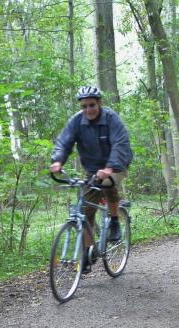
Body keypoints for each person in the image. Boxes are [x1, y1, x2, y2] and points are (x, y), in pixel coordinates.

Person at [50, 85, 133, 245]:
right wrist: (57, 161)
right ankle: (89, 252)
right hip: (93, 169)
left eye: (92, 105)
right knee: (86, 211)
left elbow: (120, 144)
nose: (88, 110)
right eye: (84, 106)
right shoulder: (76, 121)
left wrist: (110, 167)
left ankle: (114, 221)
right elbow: (64, 142)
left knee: (107, 183)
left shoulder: (111, 118)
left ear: (99, 103)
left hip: (116, 165)